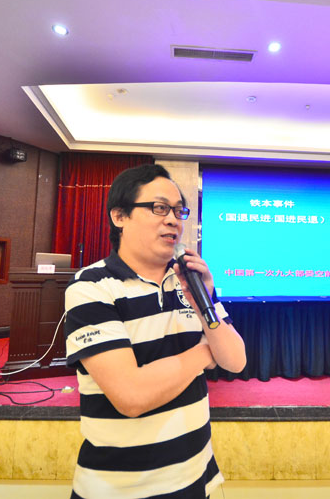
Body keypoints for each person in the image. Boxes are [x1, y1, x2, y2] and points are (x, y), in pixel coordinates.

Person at [64, 164, 246, 499]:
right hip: (120, 488)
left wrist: (204, 300)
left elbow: (235, 360)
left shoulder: (191, 280)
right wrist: (205, 352)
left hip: (196, 475)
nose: (174, 220)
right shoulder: (91, 287)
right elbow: (132, 397)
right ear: (120, 216)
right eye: (160, 208)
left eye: (179, 211)